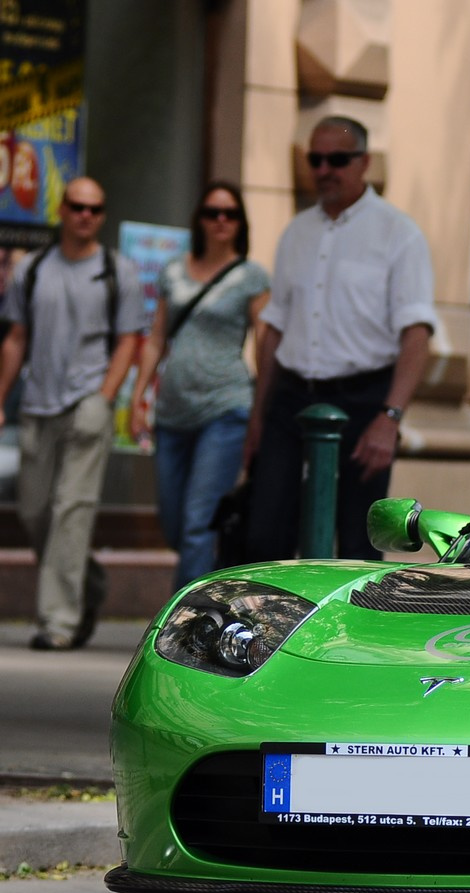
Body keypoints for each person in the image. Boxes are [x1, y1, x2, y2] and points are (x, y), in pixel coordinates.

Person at [243, 115, 437, 561]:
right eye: (315, 159)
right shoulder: (296, 232)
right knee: (264, 536)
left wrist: (390, 418)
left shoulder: (398, 233)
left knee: (357, 545)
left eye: (337, 159)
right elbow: (274, 328)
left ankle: (353, 633)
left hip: (364, 401)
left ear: (365, 162)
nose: (324, 169)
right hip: (291, 400)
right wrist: (259, 415)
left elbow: (416, 333)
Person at [0, 176, 145, 649]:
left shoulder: (116, 269)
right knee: (34, 508)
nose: (85, 215)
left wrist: (105, 397)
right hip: (37, 402)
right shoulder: (34, 268)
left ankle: (57, 623)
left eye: (95, 209)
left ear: (102, 216)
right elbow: (16, 337)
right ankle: (90, 584)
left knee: (70, 511)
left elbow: (129, 340)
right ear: (62, 210)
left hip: (88, 400)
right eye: (78, 207)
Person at [129, 181, 270, 590]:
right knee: (173, 522)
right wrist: (139, 398)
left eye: (230, 213)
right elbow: (157, 338)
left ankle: (186, 628)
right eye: (212, 213)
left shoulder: (251, 276)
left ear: (240, 222)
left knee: (197, 523)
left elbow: (264, 342)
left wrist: (262, 408)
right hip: (172, 410)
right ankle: (215, 593)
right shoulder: (173, 269)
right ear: (200, 220)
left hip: (225, 410)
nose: (221, 221)